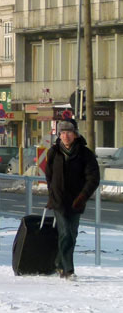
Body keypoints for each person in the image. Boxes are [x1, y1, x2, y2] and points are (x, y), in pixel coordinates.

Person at [44, 118, 100, 280]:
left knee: (71, 234)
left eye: (69, 132)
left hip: (76, 200)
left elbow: (93, 178)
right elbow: (50, 176)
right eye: (62, 133)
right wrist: (51, 196)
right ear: (59, 135)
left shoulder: (85, 154)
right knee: (65, 233)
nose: (65, 136)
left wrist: (83, 196)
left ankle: (59, 263)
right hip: (59, 199)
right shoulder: (54, 152)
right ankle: (68, 270)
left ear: (75, 134)